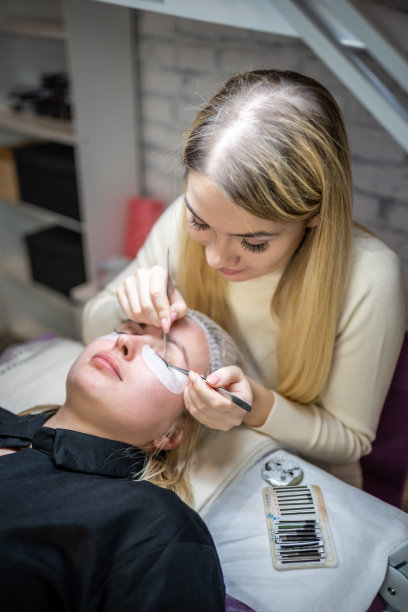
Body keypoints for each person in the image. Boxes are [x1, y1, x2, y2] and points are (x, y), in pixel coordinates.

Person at [83, 69, 406, 488]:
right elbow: (91, 328)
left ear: (314, 217)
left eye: (253, 242)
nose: (215, 258)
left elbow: (348, 441)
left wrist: (256, 407)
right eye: (200, 224)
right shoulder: (182, 216)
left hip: (302, 476)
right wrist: (124, 305)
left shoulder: (370, 279)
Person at [0, 309, 246, 611]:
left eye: (165, 358)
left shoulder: (152, 524)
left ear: (171, 434)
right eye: (129, 327)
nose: (126, 341)